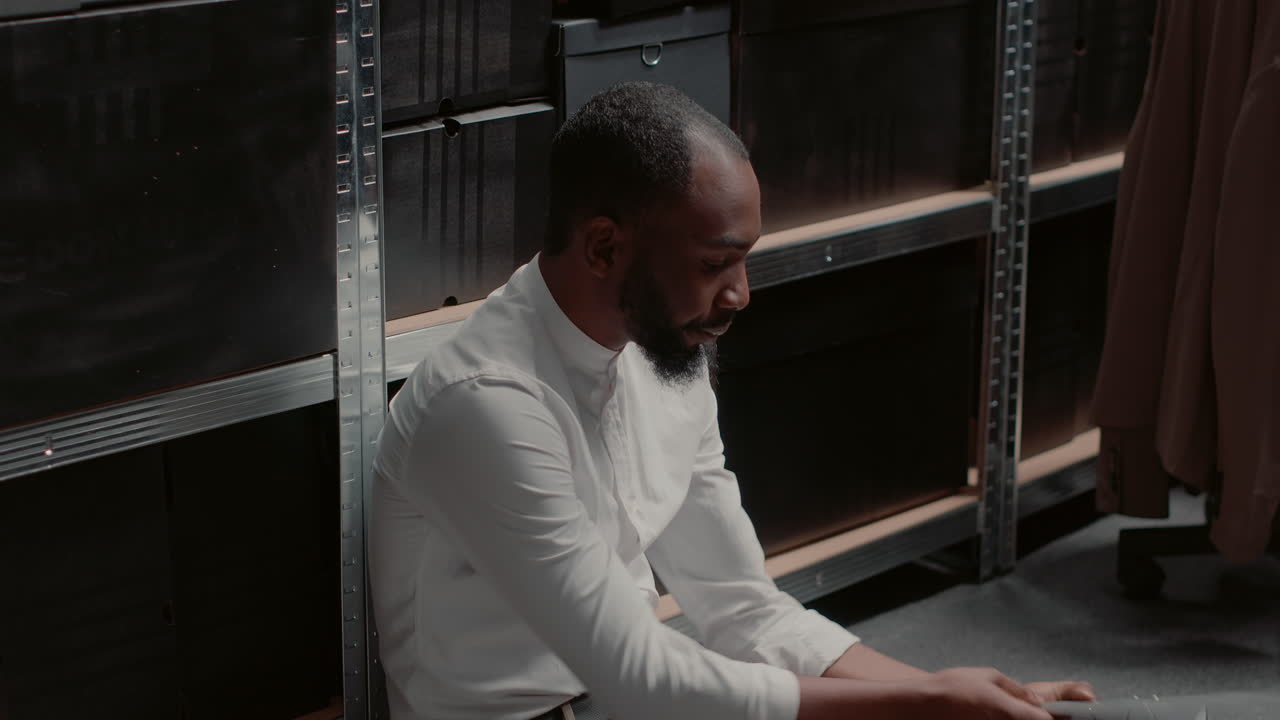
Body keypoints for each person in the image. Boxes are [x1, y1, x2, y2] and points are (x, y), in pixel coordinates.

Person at [369, 82, 1095, 720]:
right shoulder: (486, 404)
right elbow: (642, 679)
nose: (741, 295)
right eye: (715, 264)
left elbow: (744, 609)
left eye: (744, 260)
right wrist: (928, 703)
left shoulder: (665, 355)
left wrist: (963, 699)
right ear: (601, 249)